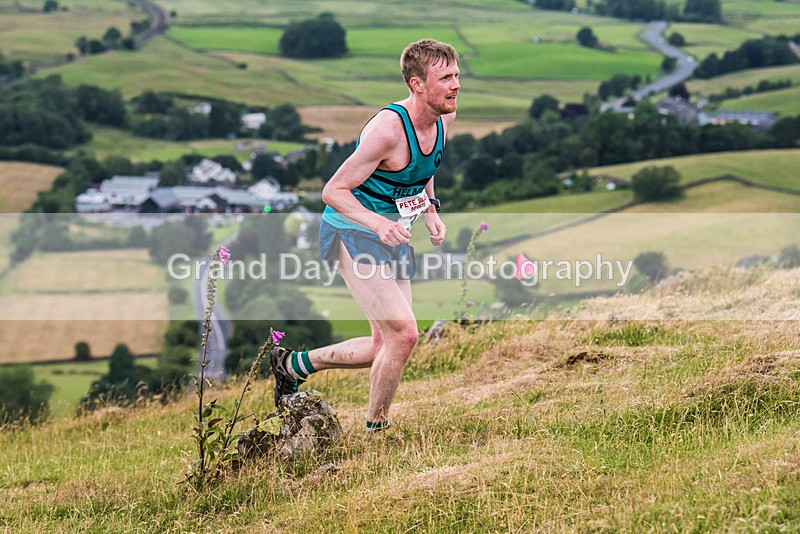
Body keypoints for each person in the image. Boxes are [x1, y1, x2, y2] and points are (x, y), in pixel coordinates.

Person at [271, 39, 459, 432]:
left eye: (457, 75)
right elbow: (332, 191)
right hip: (352, 232)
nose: (455, 85)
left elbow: (423, 170)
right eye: (445, 78)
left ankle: (292, 365)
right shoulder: (387, 132)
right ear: (417, 84)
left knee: (386, 343)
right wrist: (377, 223)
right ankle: (376, 431)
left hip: (393, 234)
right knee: (405, 335)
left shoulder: (443, 119)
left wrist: (430, 209)